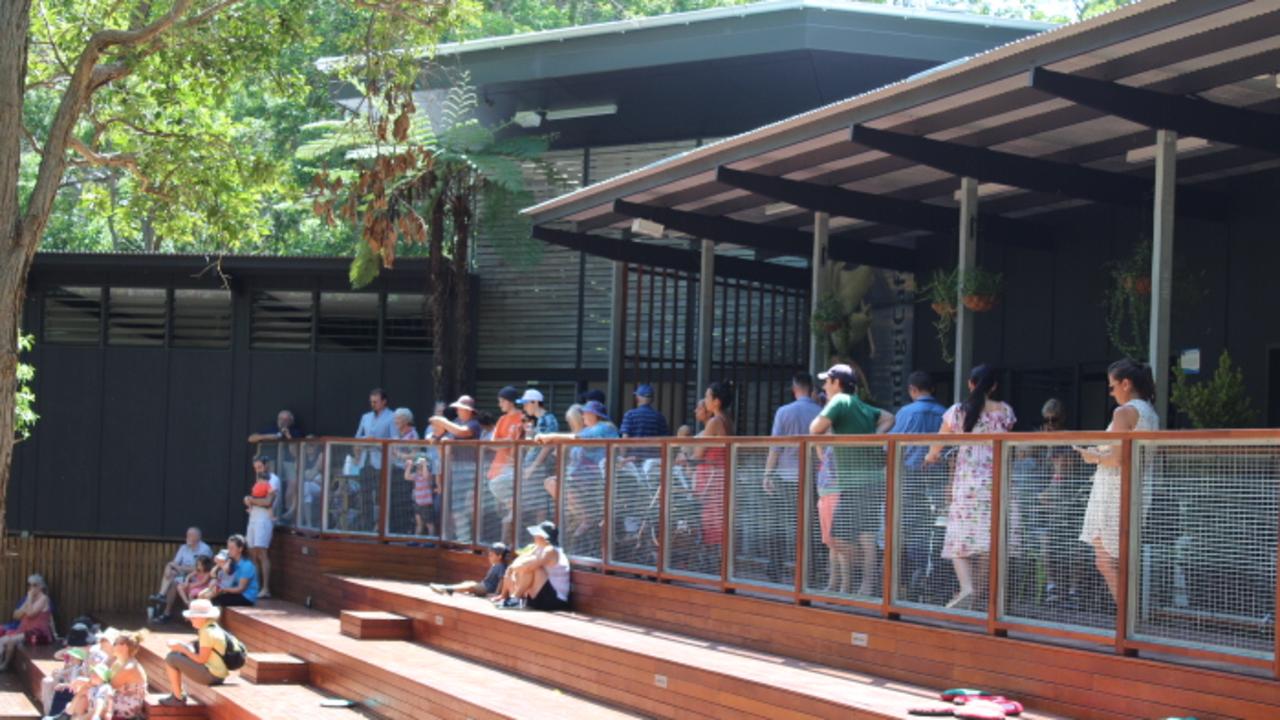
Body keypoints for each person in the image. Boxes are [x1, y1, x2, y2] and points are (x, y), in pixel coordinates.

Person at [925, 364, 1016, 610]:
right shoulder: (1005, 411)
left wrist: (930, 457)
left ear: (970, 384)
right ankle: (976, 599)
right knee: (989, 542)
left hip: (967, 482)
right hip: (997, 482)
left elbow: (937, 446)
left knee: (958, 538)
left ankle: (967, 587)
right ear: (994, 386)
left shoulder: (957, 411)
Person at [1077, 359, 1159, 603]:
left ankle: (1127, 616)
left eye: (1112, 387)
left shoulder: (1124, 412)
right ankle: (1129, 617)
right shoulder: (1149, 412)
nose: (1111, 393)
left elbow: (1116, 457)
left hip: (1113, 491)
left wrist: (1091, 456)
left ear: (1126, 384)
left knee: (1105, 559)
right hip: (1136, 488)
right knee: (1118, 558)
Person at [810, 365, 895, 597]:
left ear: (837, 382)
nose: (824, 387)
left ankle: (874, 575)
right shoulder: (857, 403)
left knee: (836, 538)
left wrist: (862, 439)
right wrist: (871, 438)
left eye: (827, 382)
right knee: (865, 535)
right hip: (867, 480)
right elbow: (889, 417)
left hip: (858, 482)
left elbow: (814, 428)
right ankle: (869, 581)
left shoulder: (840, 402)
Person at [889, 371, 948, 595]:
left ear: (912, 390)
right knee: (936, 529)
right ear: (932, 389)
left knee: (909, 526)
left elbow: (890, 446)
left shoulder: (905, 412)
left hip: (911, 477)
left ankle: (910, 578)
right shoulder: (945, 413)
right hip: (939, 479)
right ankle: (931, 577)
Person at [761, 371, 821, 583]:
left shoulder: (784, 412)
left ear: (794, 388)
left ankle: (776, 568)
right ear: (812, 389)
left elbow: (775, 448)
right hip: (813, 478)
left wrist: (767, 474)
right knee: (809, 525)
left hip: (786, 477)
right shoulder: (821, 412)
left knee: (781, 524)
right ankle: (808, 572)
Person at [691, 381, 735, 574]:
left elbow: (698, 454)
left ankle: (713, 569)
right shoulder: (727, 420)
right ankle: (720, 567)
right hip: (720, 476)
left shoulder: (714, 422)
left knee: (711, 521)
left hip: (711, 479)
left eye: (708, 397)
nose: (706, 400)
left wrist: (687, 457)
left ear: (716, 401)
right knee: (719, 521)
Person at [159, 600, 231, 706]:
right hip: (217, 673)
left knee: (171, 658)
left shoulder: (207, 632)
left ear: (202, 617)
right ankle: (177, 694)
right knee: (177, 655)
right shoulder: (211, 626)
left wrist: (182, 649)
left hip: (212, 675)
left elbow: (201, 659)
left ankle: (178, 698)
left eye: (193, 617)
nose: (190, 619)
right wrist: (184, 647)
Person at [495, 522, 571, 611]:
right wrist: (513, 569)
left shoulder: (551, 550)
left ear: (544, 537)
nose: (534, 536)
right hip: (538, 598)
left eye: (537, 533)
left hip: (554, 601)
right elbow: (518, 562)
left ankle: (515, 599)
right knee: (522, 566)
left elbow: (529, 566)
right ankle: (514, 599)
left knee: (535, 569)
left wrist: (514, 568)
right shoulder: (537, 548)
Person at [150, 527, 212, 623]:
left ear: (198, 537)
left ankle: (165, 609)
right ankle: (161, 596)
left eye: (191, 535)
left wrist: (180, 568)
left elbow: (200, 569)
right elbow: (175, 563)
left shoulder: (205, 549)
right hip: (183, 575)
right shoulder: (183, 547)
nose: (187, 537)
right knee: (171, 572)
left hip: (197, 578)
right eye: (187, 535)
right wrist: (169, 567)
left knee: (174, 580)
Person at [488, 386, 526, 539]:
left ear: (510, 401)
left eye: (502, 401)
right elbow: (492, 443)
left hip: (512, 466)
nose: (500, 404)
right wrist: (506, 441)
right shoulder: (502, 419)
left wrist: (504, 442)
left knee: (510, 513)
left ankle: (508, 544)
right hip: (498, 465)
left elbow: (516, 442)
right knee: (502, 512)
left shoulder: (522, 417)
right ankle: (504, 545)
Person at [0, 573, 53, 669]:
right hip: (25, 630)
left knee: (9, 640)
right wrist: (26, 606)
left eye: (34, 585)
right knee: (3, 640)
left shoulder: (43, 598)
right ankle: (4, 665)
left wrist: (28, 599)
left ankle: (4, 665)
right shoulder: (30, 599)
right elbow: (16, 615)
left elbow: (30, 613)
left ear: (41, 586)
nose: (31, 587)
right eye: (29, 585)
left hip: (38, 633)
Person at [243, 457, 279, 599]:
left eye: (260, 467)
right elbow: (255, 498)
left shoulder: (273, 480)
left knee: (262, 552)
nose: (258, 470)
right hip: (253, 518)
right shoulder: (258, 480)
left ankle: (266, 588)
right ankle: (255, 586)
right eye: (256, 467)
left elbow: (268, 501)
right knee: (252, 553)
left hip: (264, 519)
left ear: (266, 465)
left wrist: (251, 499)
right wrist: (248, 499)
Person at [429, 543, 510, 597]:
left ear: (499, 556)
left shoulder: (501, 566)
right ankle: (448, 588)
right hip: (484, 585)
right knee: (468, 583)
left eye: (491, 555)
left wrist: (496, 593)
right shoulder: (496, 565)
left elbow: (502, 580)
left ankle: (446, 589)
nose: (489, 557)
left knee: (470, 586)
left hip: (487, 588)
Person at [108, 630, 149, 719]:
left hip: (129, 705)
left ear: (125, 647)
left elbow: (111, 685)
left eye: (115, 643)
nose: (112, 645)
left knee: (97, 700)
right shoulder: (119, 662)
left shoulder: (129, 667)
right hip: (120, 697)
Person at [209, 535, 259, 607]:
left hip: (247, 597)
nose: (229, 551)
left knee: (217, 600)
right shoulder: (232, 562)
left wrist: (223, 590)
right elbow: (215, 571)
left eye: (232, 548)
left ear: (240, 549)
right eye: (228, 547)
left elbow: (241, 589)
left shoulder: (247, 565)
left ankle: (217, 618)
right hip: (237, 592)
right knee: (211, 597)